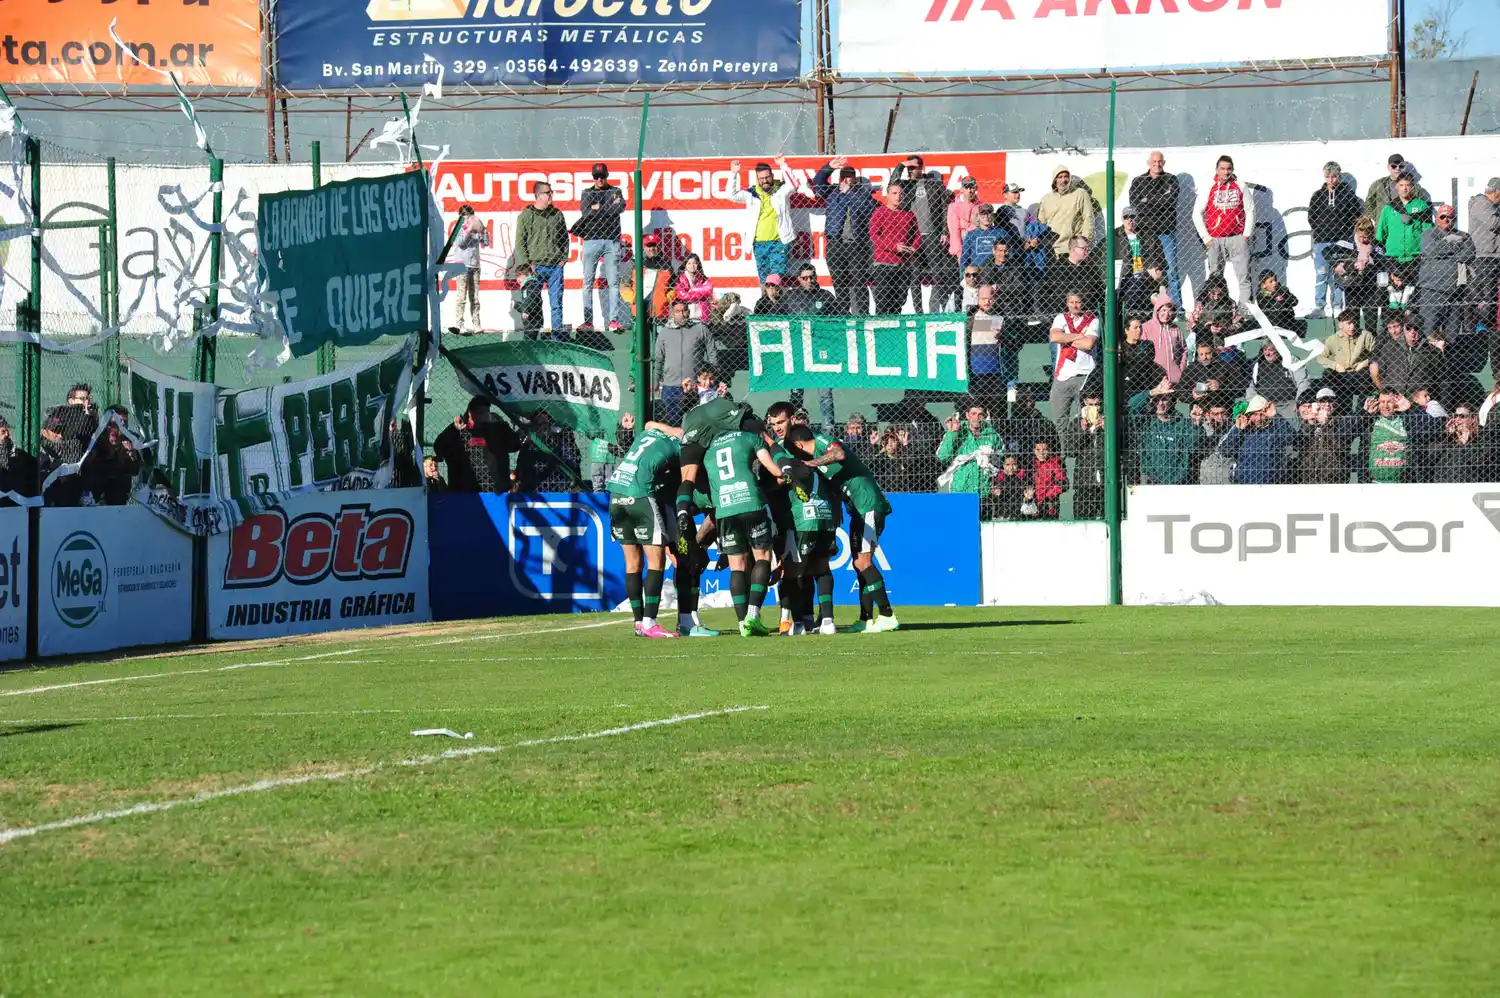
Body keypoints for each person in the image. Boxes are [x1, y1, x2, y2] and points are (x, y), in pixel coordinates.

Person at [792, 422, 898, 633]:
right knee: (859, 563)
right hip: (856, 509)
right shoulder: (819, 463)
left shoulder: (821, 442)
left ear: (798, 445)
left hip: (867, 504)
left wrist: (810, 464)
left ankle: (887, 615)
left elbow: (839, 454)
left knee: (864, 561)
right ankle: (866, 619)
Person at [704, 424, 790, 637]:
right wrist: (787, 472)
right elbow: (775, 471)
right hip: (750, 502)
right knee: (762, 557)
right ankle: (753, 615)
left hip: (724, 508)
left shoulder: (710, 446)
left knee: (737, 567)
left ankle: (742, 623)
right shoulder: (750, 437)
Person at [606, 425, 684, 638]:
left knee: (632, 564)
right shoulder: (680, 446)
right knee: (656, 562)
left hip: (616, 495)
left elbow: (649, 423)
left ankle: (639, 622)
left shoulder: (648, 433)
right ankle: (650, 622)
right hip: (640, 496)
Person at [812, 157, 877, 315]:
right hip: (836, 245)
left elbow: (867, 208)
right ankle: (843, 316)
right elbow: (818, 183)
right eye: (844, 177)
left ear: (855, 179)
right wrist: (829, 167)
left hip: (856, 246)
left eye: (850, 177)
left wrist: (850, 192)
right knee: (839, 283)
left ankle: (863, 316)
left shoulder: (863, 194)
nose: (846, 180)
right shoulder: (832, 192)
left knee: (859, 282)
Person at [891, 154, 954, 313]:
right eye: (909, 168)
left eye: (914, 168)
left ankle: (937, 309)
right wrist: (901, 165)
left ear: (921, 168)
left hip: (932, 235)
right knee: (914, 276)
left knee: (938, 274)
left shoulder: (934, 184)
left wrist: (944, 231)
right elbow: (892, 184)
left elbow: (944, 208)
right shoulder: (905, 186)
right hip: (913, 237)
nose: (911, 171)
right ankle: (919, 312)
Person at [730, 157, 810, 283]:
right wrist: (734, 173)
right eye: (761, 179)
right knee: (764, 279)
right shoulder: (752, 193)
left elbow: (794, 185)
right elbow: (732, 195)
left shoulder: (781, 190)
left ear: (772, 176)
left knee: (776, 277)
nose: (765, 181)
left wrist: (783, 165)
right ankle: (766, 297)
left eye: (767, 177)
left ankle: (777, 296)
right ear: (757, 179)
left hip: (779, 241)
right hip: (759, 243)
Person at [574, 162, 627, 333]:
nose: (599, 179)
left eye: (602, 176)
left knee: (613, 283)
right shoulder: (587, 193)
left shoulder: (615, 191)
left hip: (612, 240)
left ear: (607, 176)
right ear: (593, 178)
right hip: (591, 240)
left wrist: (597, 209)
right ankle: (588, 322)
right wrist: (608, 207)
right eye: (596, 177)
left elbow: (620, 207)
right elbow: (586, 212)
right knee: (588, 282)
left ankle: (613, 320)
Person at [1194, 154, 1255, 300]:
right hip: (1215, 239)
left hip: (1237, 237)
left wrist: (1246, 235)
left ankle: (1245, 309)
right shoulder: (1209, 187)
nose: (1225, 172)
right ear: (1216, 170)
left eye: (1228, 169)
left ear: (1232, 169)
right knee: (1215, 279)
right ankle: (1217, 308)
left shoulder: (1241, 186)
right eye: (1222, 169)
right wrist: (1206, 238)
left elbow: (1250, 210)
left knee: (1244, 277)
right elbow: (1196, 213)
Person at [433, 396, 524, 493]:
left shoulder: (497, 429)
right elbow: (439, 448)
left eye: (486, 412)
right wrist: (453, 429)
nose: (484, 416)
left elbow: (515, 445)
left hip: (494, 490)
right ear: (470, 413)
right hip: (463, 490)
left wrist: (503, 424)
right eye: (480, 412)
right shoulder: (458, 430)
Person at [1307, 162, 1362, 318]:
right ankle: (1320, 306)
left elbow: (1355, 216)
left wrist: (1343, 232)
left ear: (1339, 176)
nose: (1331, 180)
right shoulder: (1318, 195)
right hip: (1322, 241)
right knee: (1322, 273)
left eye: (1334, 177)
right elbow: (1311, 217)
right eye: (1328, 177)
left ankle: (1338, 306)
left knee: (1339, 273)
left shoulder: (1348, 195)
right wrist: (1322, 230)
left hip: (1341, 242)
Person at [513, 181, 569, 331]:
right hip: (535, 268)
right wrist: (527, 265)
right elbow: (520, 243)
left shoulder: (557, 214)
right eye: (547, 193)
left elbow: (564, 238)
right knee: (533, 304)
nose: (551, 195)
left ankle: (557, 339)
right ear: (538, 195)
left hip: (555, 268)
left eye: (551, 192)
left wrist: (564, 257)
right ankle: (533, 337)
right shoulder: (525, 216)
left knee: (556, 304)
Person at [1128, 150, 1182, 304]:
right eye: (1154, 161)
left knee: (1171, 269)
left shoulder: (1171, 179)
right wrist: (1160, 201)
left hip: (1166, 231)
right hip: (1145, 232)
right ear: (1148, 163)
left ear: (1163, 163)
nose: (1157, 164)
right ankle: (1143, 305)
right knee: (1144, 270)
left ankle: (1177, 308)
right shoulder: (1138, 181)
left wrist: (1147, 200)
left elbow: (1170, 201)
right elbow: (1135, 204)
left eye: (1159, 161)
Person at [1416, 204, 1476, 339]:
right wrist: (1455, 245)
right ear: (1437, 218)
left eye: (1450, 217)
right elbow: (1432, 250)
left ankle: (1449, 352)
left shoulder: (1464, 235)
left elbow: (1469, 254)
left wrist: (1445, 254)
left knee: (1452, 334)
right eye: (1442, 216)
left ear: (1454, 219)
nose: (1446, 220)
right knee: (1428, 332)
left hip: (1455, 292)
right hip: (1432, 290)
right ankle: (1429, 353)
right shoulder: (1428, 234)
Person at [654, 300, 714, 425]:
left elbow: (712, 352)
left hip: (694, 386)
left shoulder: (700, 329)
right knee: (672, 423)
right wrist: (655, 380)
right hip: (670, 386)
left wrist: (713, 374)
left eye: (684, 310)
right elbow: (658, 358)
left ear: (689, 312)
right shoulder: (664, 332)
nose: (681, 314)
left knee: (696, 422)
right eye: (678, 311)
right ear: (672, 313)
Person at [40, 383, 98, 507]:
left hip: (85, 467)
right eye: (82, 399)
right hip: (62, 464)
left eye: (88, 399)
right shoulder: (61, 413)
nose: (86, 402)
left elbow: (82, 435)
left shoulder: (91, 417)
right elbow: (45, 435)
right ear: (71, 401)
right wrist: (61, 443)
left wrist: (87, 415)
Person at [1048, 291, 1099, 431]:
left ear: (1083, 303)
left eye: (1078, 302)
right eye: (1071, 302)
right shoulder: (1060, 318)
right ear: (1067, 303)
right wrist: (1079, 336)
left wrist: (1065, 338)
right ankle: (1064, 446)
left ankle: (1086, 446)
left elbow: (1088, 344)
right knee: (1060, 422)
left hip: (1085, 376)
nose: (1074, 306)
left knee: (1088, 420)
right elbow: (1054, 337)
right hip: (1062, 376)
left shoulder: (1093, 319)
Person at [868, 182, 921, 314]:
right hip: (884, 264)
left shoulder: (909, 214)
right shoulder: (880, 213)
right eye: (894, 193)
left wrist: (914, 247)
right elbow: (874, 236)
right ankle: (881, 325)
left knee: (899, 301)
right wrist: (894, 247)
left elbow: (917, 235)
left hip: (904, 264)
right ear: (887, 195)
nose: (898, 196)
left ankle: (895, 326)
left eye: (900, 194)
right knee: (883, 301)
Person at [1328, 215, 1387, 332]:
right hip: (1352, 288)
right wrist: (1336, 264)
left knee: (1371, 324)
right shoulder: (1348, 242)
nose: (1362, 240)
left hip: (1370, 288)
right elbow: (1326, 251)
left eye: (1366, 237)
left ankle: (1371, 341)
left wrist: (1368, 265)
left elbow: (1382, 263)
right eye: (1360, 236)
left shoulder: (1376, 246)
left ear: (1371, 235)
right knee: (1352, 322)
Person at [1220, 396, 1295, 484]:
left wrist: (1276, 416)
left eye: (1262, 414)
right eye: (1255, 414)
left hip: (1270, 483)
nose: (1258, 418)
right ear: (1249, 415)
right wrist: (1237, 430)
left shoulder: (1275, 430)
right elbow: (1225, 451)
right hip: (1244, 483)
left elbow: (1291, 438)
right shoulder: (1243, 431)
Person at [936, 399, 1002, 495]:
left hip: (985, 490)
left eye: (980, 414)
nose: (977, 418)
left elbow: (1002, 455)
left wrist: (991, 459)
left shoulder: (991, 433)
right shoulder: (957, 430)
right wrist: (952, 433)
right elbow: (942, 457)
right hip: (961, 488)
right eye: (973, 414)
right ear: (967, 415)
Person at [1467, 178, 1500, 348]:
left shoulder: (1493, 207)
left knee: (1493, 296)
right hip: (1484, 257)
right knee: (1485, 296)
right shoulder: (1481, 204)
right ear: (1496, 192)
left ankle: (1490, 327)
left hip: (1494, 257)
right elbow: (1494, 223)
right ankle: (1482, 330)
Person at [1374, 173, 1433, 266]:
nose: (1404, 188)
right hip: (1393, 257)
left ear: (1412, 186)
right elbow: (1381, 234)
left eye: (1407, 185)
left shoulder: (1421, 206)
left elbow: (1428, 232)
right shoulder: (1389, 208)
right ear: (1396, 186)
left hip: (1416, 256)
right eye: (1401, 185)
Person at [1037, 164, 1093, 259]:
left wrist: (1084, 240)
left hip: (1072, 249)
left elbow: (1088, 218)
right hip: (1051, 249)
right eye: (1060, 177)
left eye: (1066, 176)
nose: (1064, 180)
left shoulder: (1080, 194)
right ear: (1055, 180)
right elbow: (1040, 223)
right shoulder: (1046, 199)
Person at [943, 176, 983, 311]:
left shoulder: (980, 206)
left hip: (977, 250)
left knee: (979, 285)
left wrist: (966, 224)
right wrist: (960, 254)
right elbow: (954, 231)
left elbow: (980, 227)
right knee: (963, 284)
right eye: (967, 187)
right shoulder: (954, 206)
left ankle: (980, 315)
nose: (970, 190)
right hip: (961, 251)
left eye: (972, 187)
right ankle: (961, 314)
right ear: (961, 189)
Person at [81, 417, 140, 506]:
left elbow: (134, 470)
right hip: (98, 483)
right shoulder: (98, 441)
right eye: (115, 424)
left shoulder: (126, 443)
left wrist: (132, 455)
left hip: (117, 487)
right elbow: (88, 466)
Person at [1321, 310, 1376, 401]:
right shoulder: (1333, 339)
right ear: (1340, 325)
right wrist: (1336, 366)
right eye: (1349, 323)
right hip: (1342, 373)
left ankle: (1361, 406)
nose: (1352, 326)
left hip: (1360, 373)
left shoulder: (1365, 335)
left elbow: (1378, 353)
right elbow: (1321, 358)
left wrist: (1364, 363)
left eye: (1354, 322)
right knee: (1327, 374)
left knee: (1365, 375)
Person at [450, 205, 488, 334]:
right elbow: (460, 243)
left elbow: (486, 243)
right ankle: (459, 324)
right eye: (465, 216)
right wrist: (469, 229)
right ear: (460, 216)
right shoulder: (458, 228)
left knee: (475, 297)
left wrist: (483, 231)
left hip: (475, 265)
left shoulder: (476, 228)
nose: (468, 218)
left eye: (470, 215)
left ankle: (477, 324)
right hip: (462, 265)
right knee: (461, 297)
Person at [1365, 153, 1432, 222]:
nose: (1397, 168)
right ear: (1388, 167)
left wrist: (1416, 218)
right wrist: (1377, 217)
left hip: (1406, 223)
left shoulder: (1414, 186)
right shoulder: (1379, 184)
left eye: (1401, 166)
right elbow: (1368, 203)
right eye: (1394, 166)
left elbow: (1425, 203)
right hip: (1385, 223)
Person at [1140, 294, 1187, 387]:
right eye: (1164, 310)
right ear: (1157, 310)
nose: (1167, 314)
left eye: (1170, 311)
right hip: (1154, 377)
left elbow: (1184, 350)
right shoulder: (1146, 327)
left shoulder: (1176, 329)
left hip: (1175, 378)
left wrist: (1181, 369)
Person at [1252, 270, 1307, 338]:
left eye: (1275, 280)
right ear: (1264, 285)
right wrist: (1275, 296)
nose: (1274, 283)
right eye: (1271, 281)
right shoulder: (1261, 295)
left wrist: (1284, 295)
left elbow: (1295, 302)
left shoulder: (1282, 290)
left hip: (1286, 321)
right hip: (1271, 323)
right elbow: (1271, 311)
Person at [985, 453, 1031, 521]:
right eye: (1008, 464)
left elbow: (1027, 500)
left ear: (1018, 465)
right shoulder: (999, 481)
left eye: (1014, 464)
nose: (1011, 467)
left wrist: (1028, 498)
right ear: (1003, 466)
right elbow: (994, 501)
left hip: (1019, 513)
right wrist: (996, 496)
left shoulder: (1023, 481)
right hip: (1002, 514)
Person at [1028, 439, 1067, 519]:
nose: (1041, 453)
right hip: (1032, 500)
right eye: (1038, 450)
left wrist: (1048, 496)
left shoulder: (1054, 463)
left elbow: (1062, 483)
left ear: (1049, 451)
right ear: (1034, 451)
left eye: (1045, 450)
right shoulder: (1031, 464)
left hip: (1049, 502)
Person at [674, 253, 715, 323]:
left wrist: (692, 291)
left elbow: (708, 291)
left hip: (702, 312)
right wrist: (700, 292)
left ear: (698, 264)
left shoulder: (703, 278)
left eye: (695, 263)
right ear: (685, 265)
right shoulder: (680, 278)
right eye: (689, 263)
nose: (692, 266)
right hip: (686, 311)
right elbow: (683, 295)